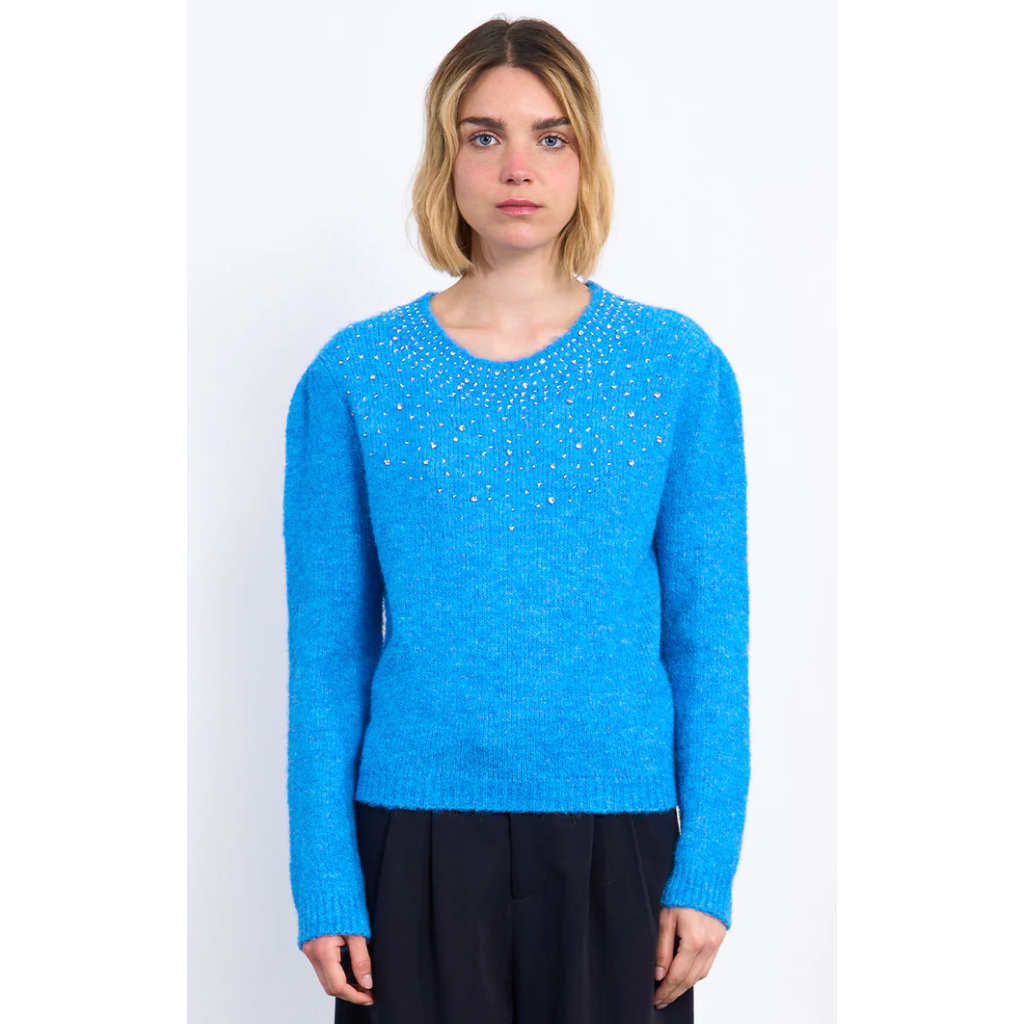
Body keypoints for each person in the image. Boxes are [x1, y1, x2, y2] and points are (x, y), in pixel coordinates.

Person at [282, 16, 750, 1024]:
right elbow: (327, 651)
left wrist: (707, 868)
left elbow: (707, 639)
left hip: (620, 838)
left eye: (551, 135)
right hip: (413, 837)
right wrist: (324, 880)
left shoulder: (675, 367)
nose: (517, 168)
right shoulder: (356, 375)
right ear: (445, 157)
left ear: (586, 157)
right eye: (484, 135)